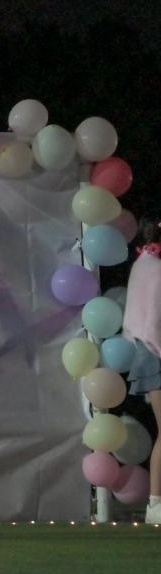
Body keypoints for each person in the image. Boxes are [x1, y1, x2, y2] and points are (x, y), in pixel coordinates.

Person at [123, 215, 161, 525]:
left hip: (145, 351)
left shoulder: (142, 265)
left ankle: (155, 504)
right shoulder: (155, 268)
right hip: (154, 352)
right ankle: (155, 505)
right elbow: (153, 324)